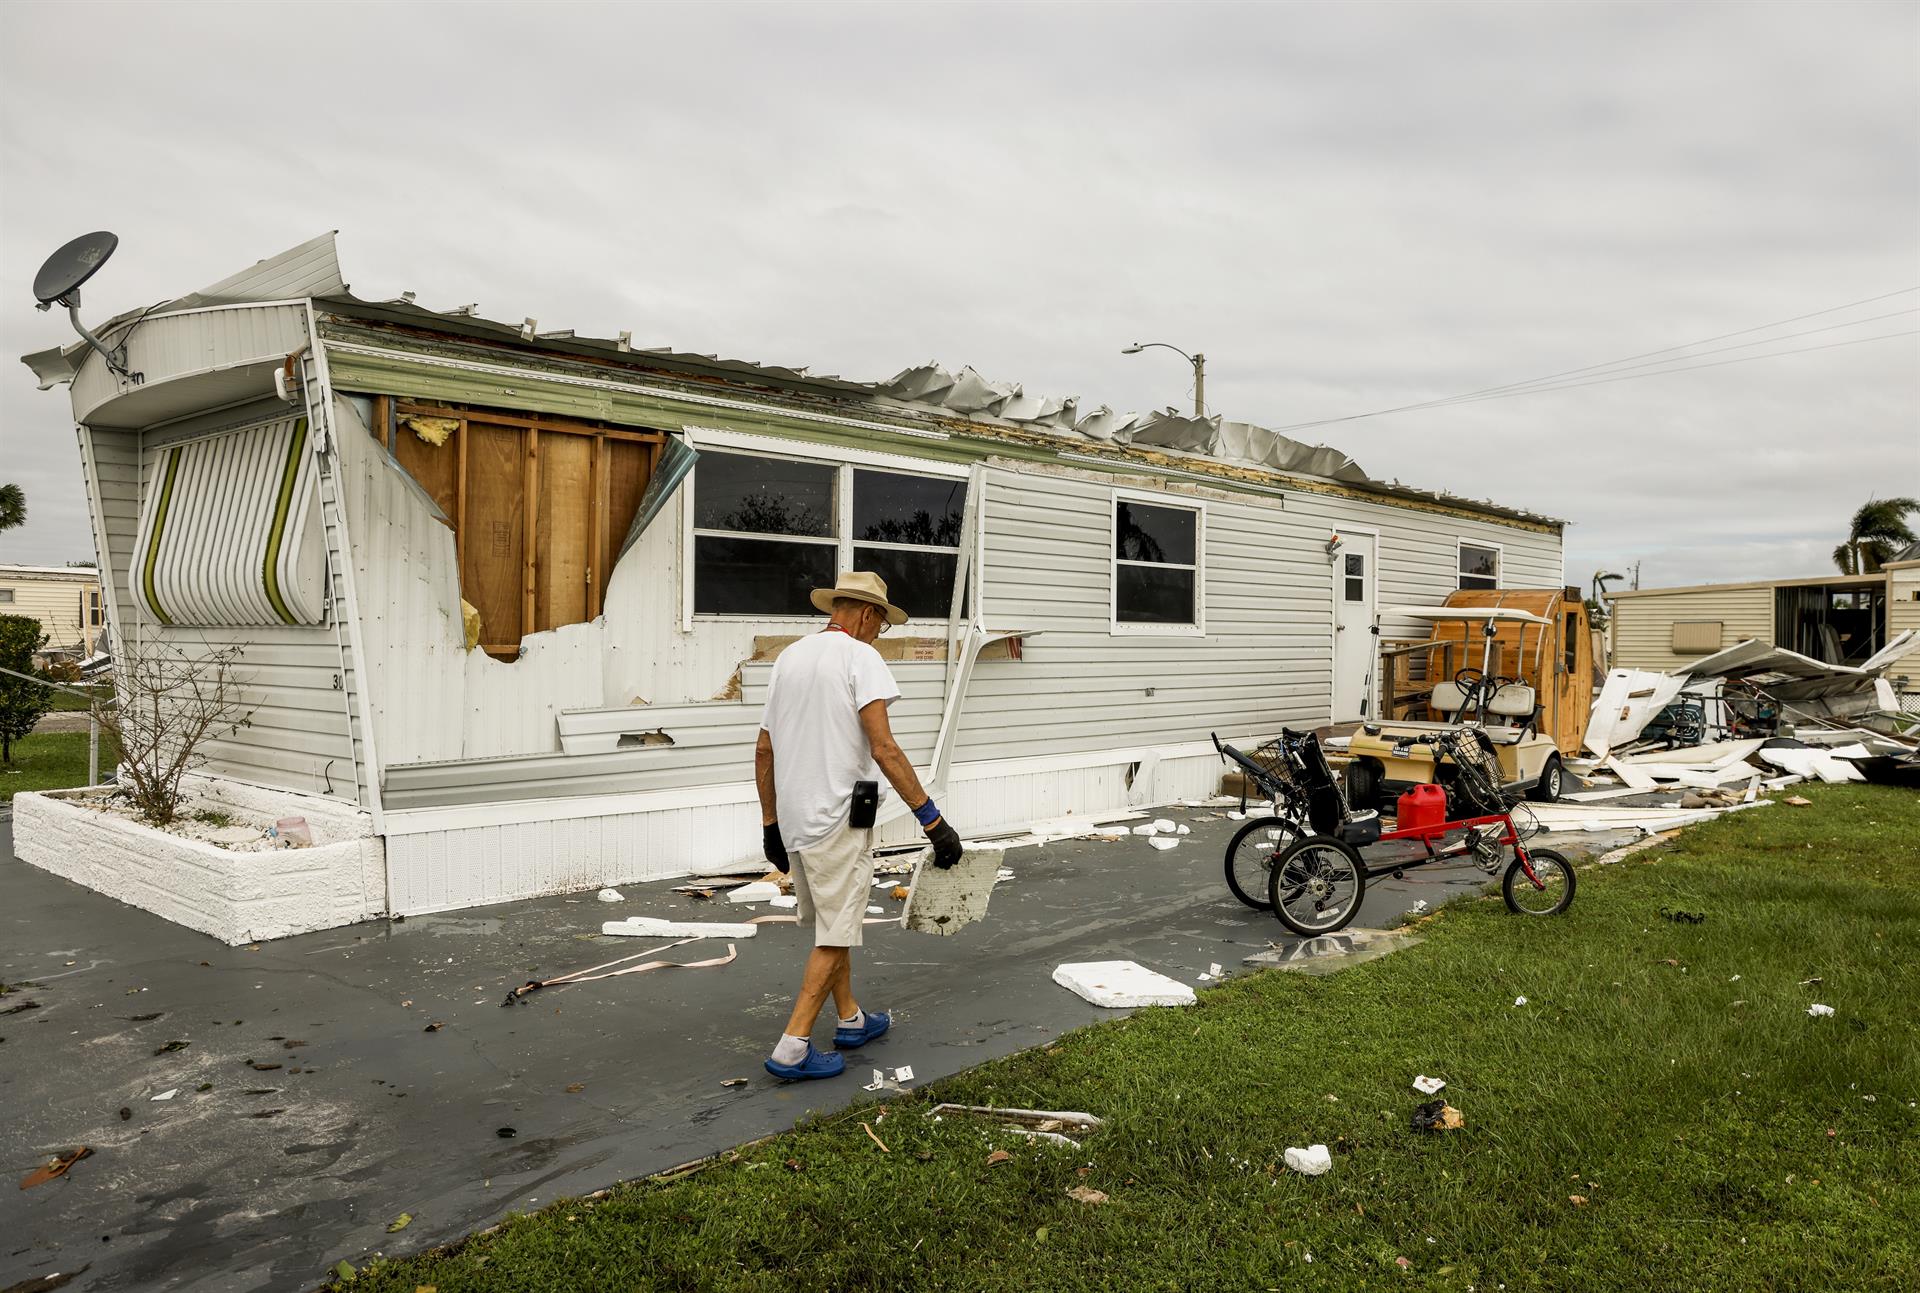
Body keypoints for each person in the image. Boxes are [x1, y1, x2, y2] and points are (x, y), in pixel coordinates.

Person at [755, 571, 964, 1080]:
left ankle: (851, 1020)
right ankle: (792, 1047)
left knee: (835, 918)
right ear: (868, 614)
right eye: (881, 625)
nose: (879, 635)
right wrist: (933, 821)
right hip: (838, 816)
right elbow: (884, 747)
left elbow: (765, 749)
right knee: (836, 930)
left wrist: (771, 825)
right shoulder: (860, 656)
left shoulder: (790, 658)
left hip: (806, 816)